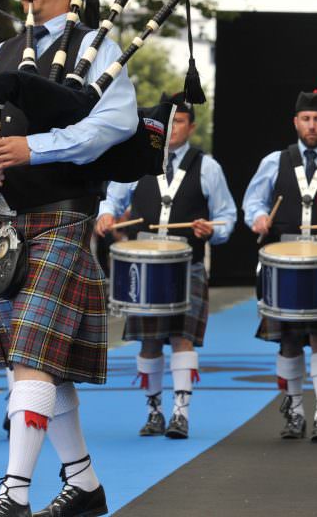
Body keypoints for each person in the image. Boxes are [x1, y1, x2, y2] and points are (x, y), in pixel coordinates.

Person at [0, 0, 137, 517]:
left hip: (61, 219)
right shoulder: (4, 52)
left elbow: (113, 125)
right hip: (7, 225)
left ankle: (13, 495)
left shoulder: (100, 48)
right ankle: (84, 484)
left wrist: (36, 148)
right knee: (36, 367)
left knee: (32, 357)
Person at [96, 93, 236, 439]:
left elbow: (227, 216)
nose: (172, 128)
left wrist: (213, 231)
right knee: (148, 342)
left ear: (191, 126)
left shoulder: (208, 167)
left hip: (186, 263)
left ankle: (180, 413)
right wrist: (106, 215)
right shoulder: (139, 160)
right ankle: (154, 410)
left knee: (182, 337)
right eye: (168, 121)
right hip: (144, 266)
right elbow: (112, 198)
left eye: (179, 122)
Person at [243, 90, 317, 442]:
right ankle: (294, 411)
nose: (312, 125)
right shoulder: (275, 160)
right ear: (296, 122)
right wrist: (258, 218)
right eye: (306, 118)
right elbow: (254, 201)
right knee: (287, 342)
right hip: (284, 263)